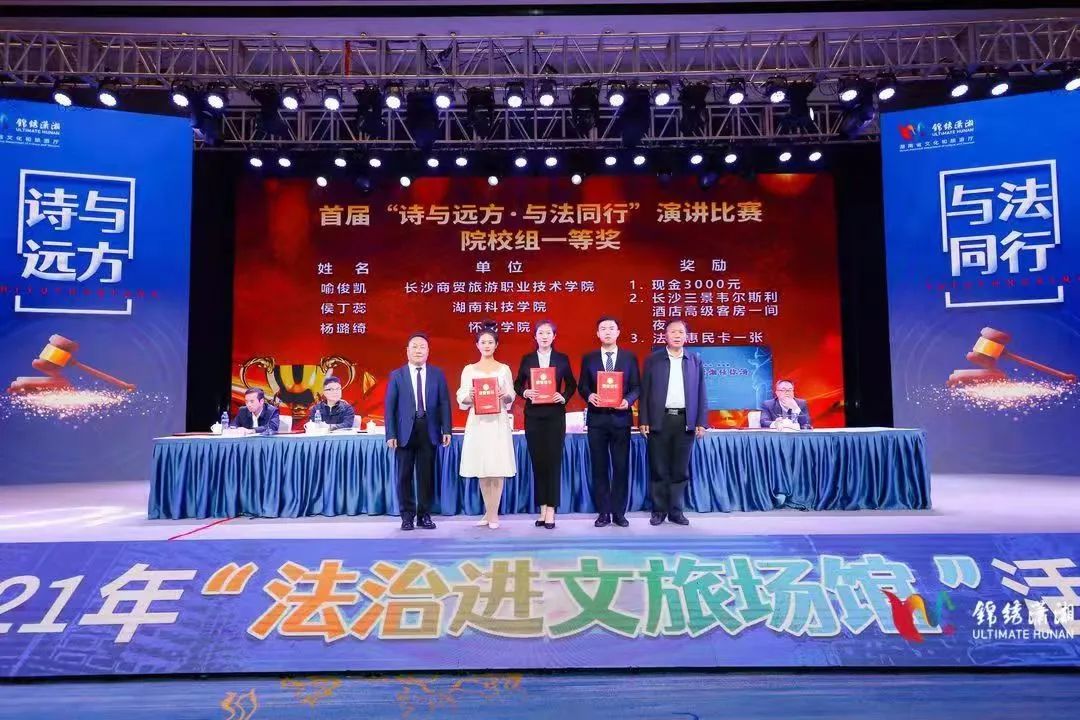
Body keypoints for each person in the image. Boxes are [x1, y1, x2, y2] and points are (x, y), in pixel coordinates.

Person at [639, 319, 707, 526]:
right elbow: (645, 391)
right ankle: (658, 511)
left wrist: (701, 421)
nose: (677, 335)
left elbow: (701, 392)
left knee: (680, 469)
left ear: (687, 336)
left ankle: (676, 511)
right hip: (659, 419)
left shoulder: (694, 360)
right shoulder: (654, 359)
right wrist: (644, 419)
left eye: (681, 332)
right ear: (665, 335)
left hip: (685, 420)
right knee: (658, 467)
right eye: (673, 332)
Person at [386, 333, 452, 531]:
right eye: (414, 347)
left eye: (422, 347)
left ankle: (424, 516)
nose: (418, 350)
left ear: (428, 351)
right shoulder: (397, 375)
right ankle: (407, 517)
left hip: (429, 429)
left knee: (426, 476)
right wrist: (391, 434)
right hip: (404, 432)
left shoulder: (437, 374)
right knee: (404, 476)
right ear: (407, 351)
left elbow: (444, 403)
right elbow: (390, 407)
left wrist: (446, 429)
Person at [515, 320, 577, 530]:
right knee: (538, 463)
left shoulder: (562, 359)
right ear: (535, 336)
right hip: (533, 417)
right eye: (540, 333)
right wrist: (525, 392)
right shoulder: (527, 359)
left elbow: (572, 384)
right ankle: (542, 509)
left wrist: (564, 396)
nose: (544, 336)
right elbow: (517, 384)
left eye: (548, 333)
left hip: (554, 417)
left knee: (553, 463)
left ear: (554, 336)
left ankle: (551, 510)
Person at [578, 316, 640, 528]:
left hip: (621, 420)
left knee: (621, 467)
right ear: (597, 333)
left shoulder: (629, 357)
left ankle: (619, 513)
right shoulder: (589, 358)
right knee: (599, 467)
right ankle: (603, 513)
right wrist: (589, 396)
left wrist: (627, 400)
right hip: (597, 420)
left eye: (611, 328)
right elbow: (582, 386)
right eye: (603, 328)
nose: (607, 332)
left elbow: (637, 386)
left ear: (618, 332)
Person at [457, 322, 516, 529]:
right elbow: (462, 398)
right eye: (483, 342)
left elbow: (511, 396)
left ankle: (493, 515)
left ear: (496, 345)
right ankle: (488, 512)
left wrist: (504, 394)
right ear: (477, 345)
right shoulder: (469, 370)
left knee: (497, 467)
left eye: (491, 342)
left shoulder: (504, 369)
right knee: (482, 468)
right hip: (478, 422)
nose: (487, 345)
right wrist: (470, 396)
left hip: (498, 421)